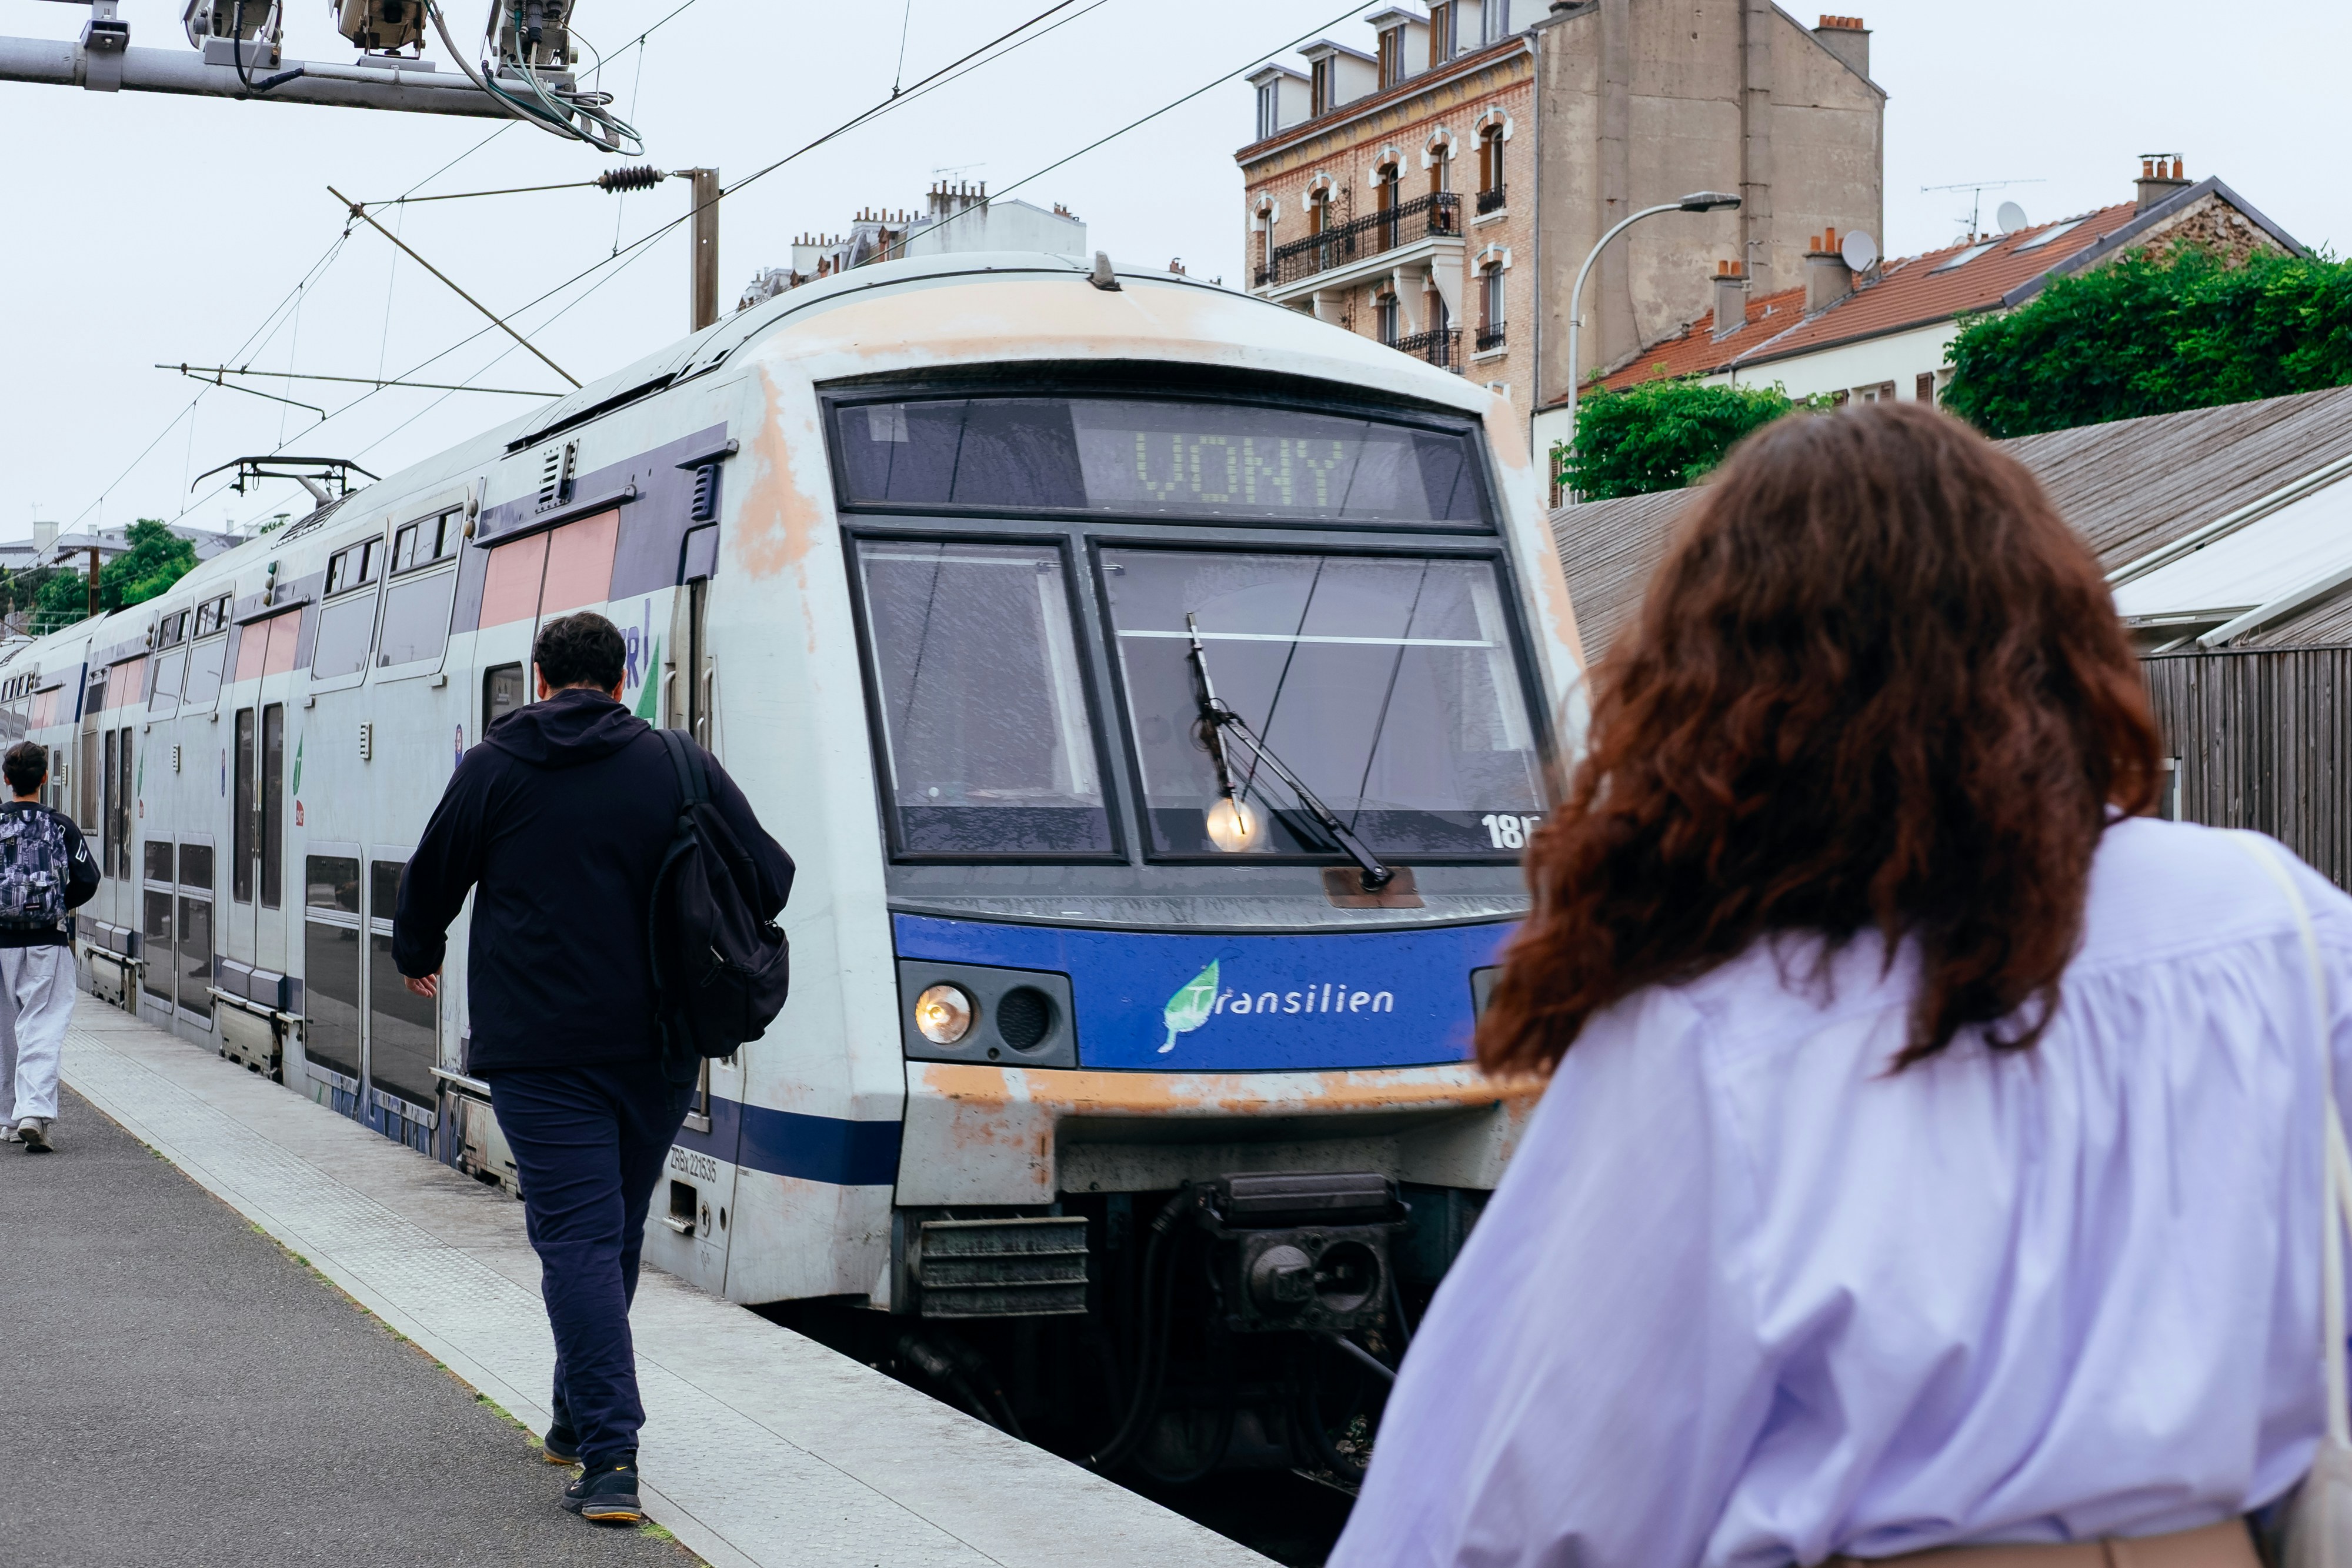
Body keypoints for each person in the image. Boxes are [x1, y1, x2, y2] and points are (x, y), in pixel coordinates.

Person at [1334, 403, 2352, 1567]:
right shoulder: (2279, 926)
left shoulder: (1712, 1032)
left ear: (1717, 691)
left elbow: (1522, 1503)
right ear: (2062, 639)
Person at [393, 610, 792, 1526]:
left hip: (539, 1049)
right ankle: (577, 1417)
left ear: (539, 677)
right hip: (658, 1045)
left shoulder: (492, 765)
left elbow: (433, 876)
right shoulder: (676, 762)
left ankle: (610, 1454)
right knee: (607, 1233)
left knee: (577, 1237)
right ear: (623, 679)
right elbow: (769, 876)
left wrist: (416, 945)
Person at [0, 740, 100, 1153]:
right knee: (41, 1027)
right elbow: (88, 878)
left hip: (1, 942)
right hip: (47, 942)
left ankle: (8, 1117)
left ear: (7, 780)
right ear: (45, 778)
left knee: (6, 1032)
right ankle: (33, 1112)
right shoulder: (61, 827)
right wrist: (56, 904)